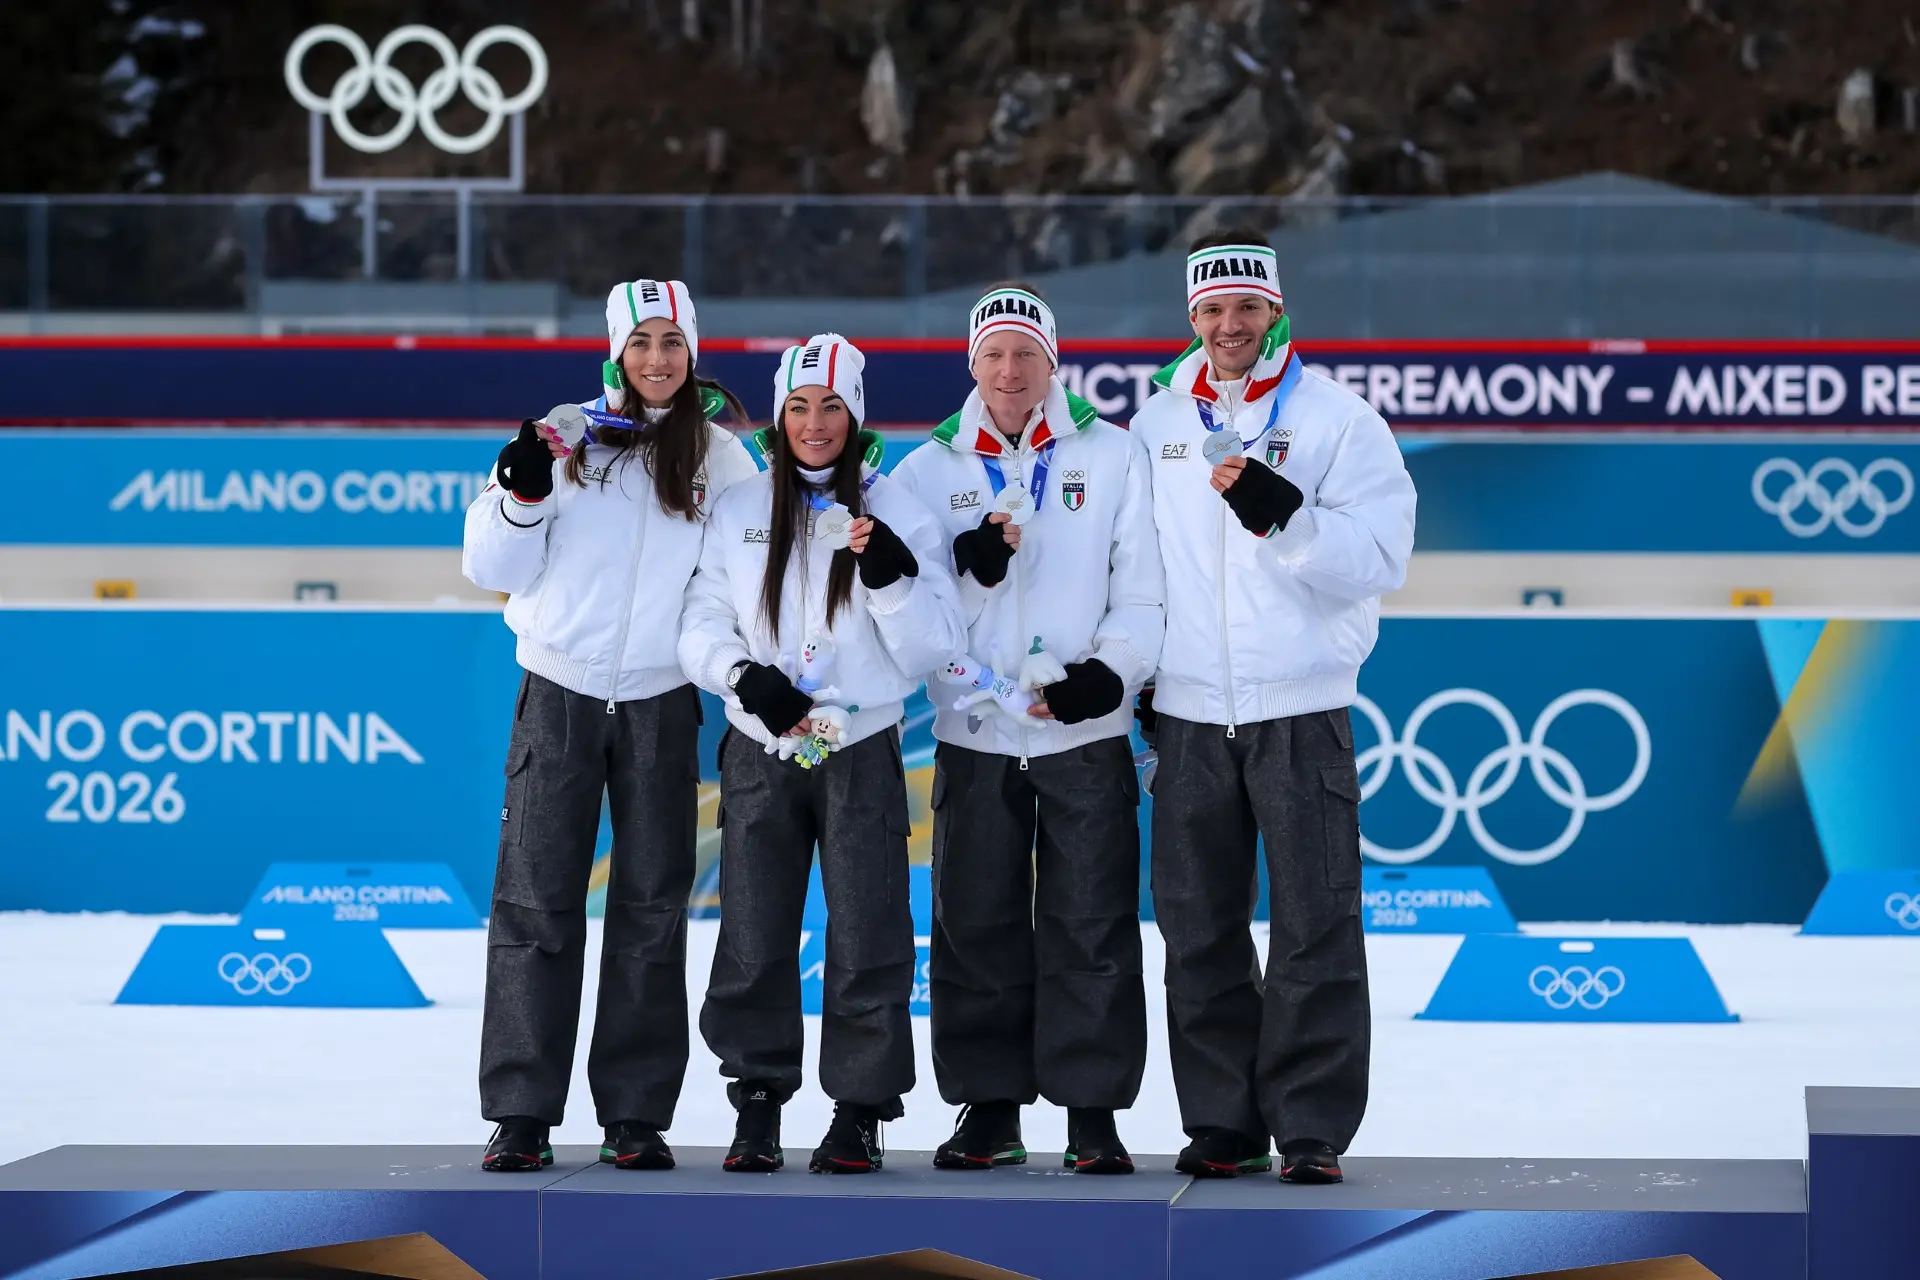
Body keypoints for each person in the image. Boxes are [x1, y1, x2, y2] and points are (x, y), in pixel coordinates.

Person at [1129, 230, 1416, 1185]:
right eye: (1210, 310)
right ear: (1191, 319)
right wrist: (1138, 679)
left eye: (1245, 307)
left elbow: (1383, 557)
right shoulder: (1156, 423)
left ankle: (1310, 1126)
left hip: (1301, 706)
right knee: (1197, 925)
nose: (1228, 325)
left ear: (1275, 311)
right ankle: (1222, 1120)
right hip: (1190, 715)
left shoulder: (1340, 418)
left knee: (1314, 920)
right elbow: (1137, 567)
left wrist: (1283, 514)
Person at [463, 278, 759, 1174]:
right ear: (616, 353)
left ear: (693, 351)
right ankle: (521, 1111)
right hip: (558, 690)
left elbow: (734, 583)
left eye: (673, 343)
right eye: (642, 344)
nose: (658, 360)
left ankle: (634, 1113)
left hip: (662, 702)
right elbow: (488, 566)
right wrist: (518, 497)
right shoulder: (563, 437)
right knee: (536, 903)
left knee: (652, 909)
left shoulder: (724, 458)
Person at [890, 284, 1163, 1174]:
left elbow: (1145, 588)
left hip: (1083, 731)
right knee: (975, 921)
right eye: (995, 355)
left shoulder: (1115, 455)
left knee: (1093, 922)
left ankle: (1092, 1112)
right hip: (975, 734)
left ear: (1055, 362)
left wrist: (1108, 675)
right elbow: (904, 606)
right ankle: (989, 1108)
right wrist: (970, 574)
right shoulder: (925, 472)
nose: (1011, 372)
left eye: (1027, 354)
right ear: (972, 363)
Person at [679, 333, 966, 1174]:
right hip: (763, 743)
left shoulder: (899, 507)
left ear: (856, 414)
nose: (814, 423)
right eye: (799, 407)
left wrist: (893, 581)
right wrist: (740, 677)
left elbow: (932, 647)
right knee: (754, 927)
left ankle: (858, 1107)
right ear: (779, 415)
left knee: (869, 927)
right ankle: (758, 1100)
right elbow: (701, 617)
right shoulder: (737, 509)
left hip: (860, 743)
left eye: (831, 406)